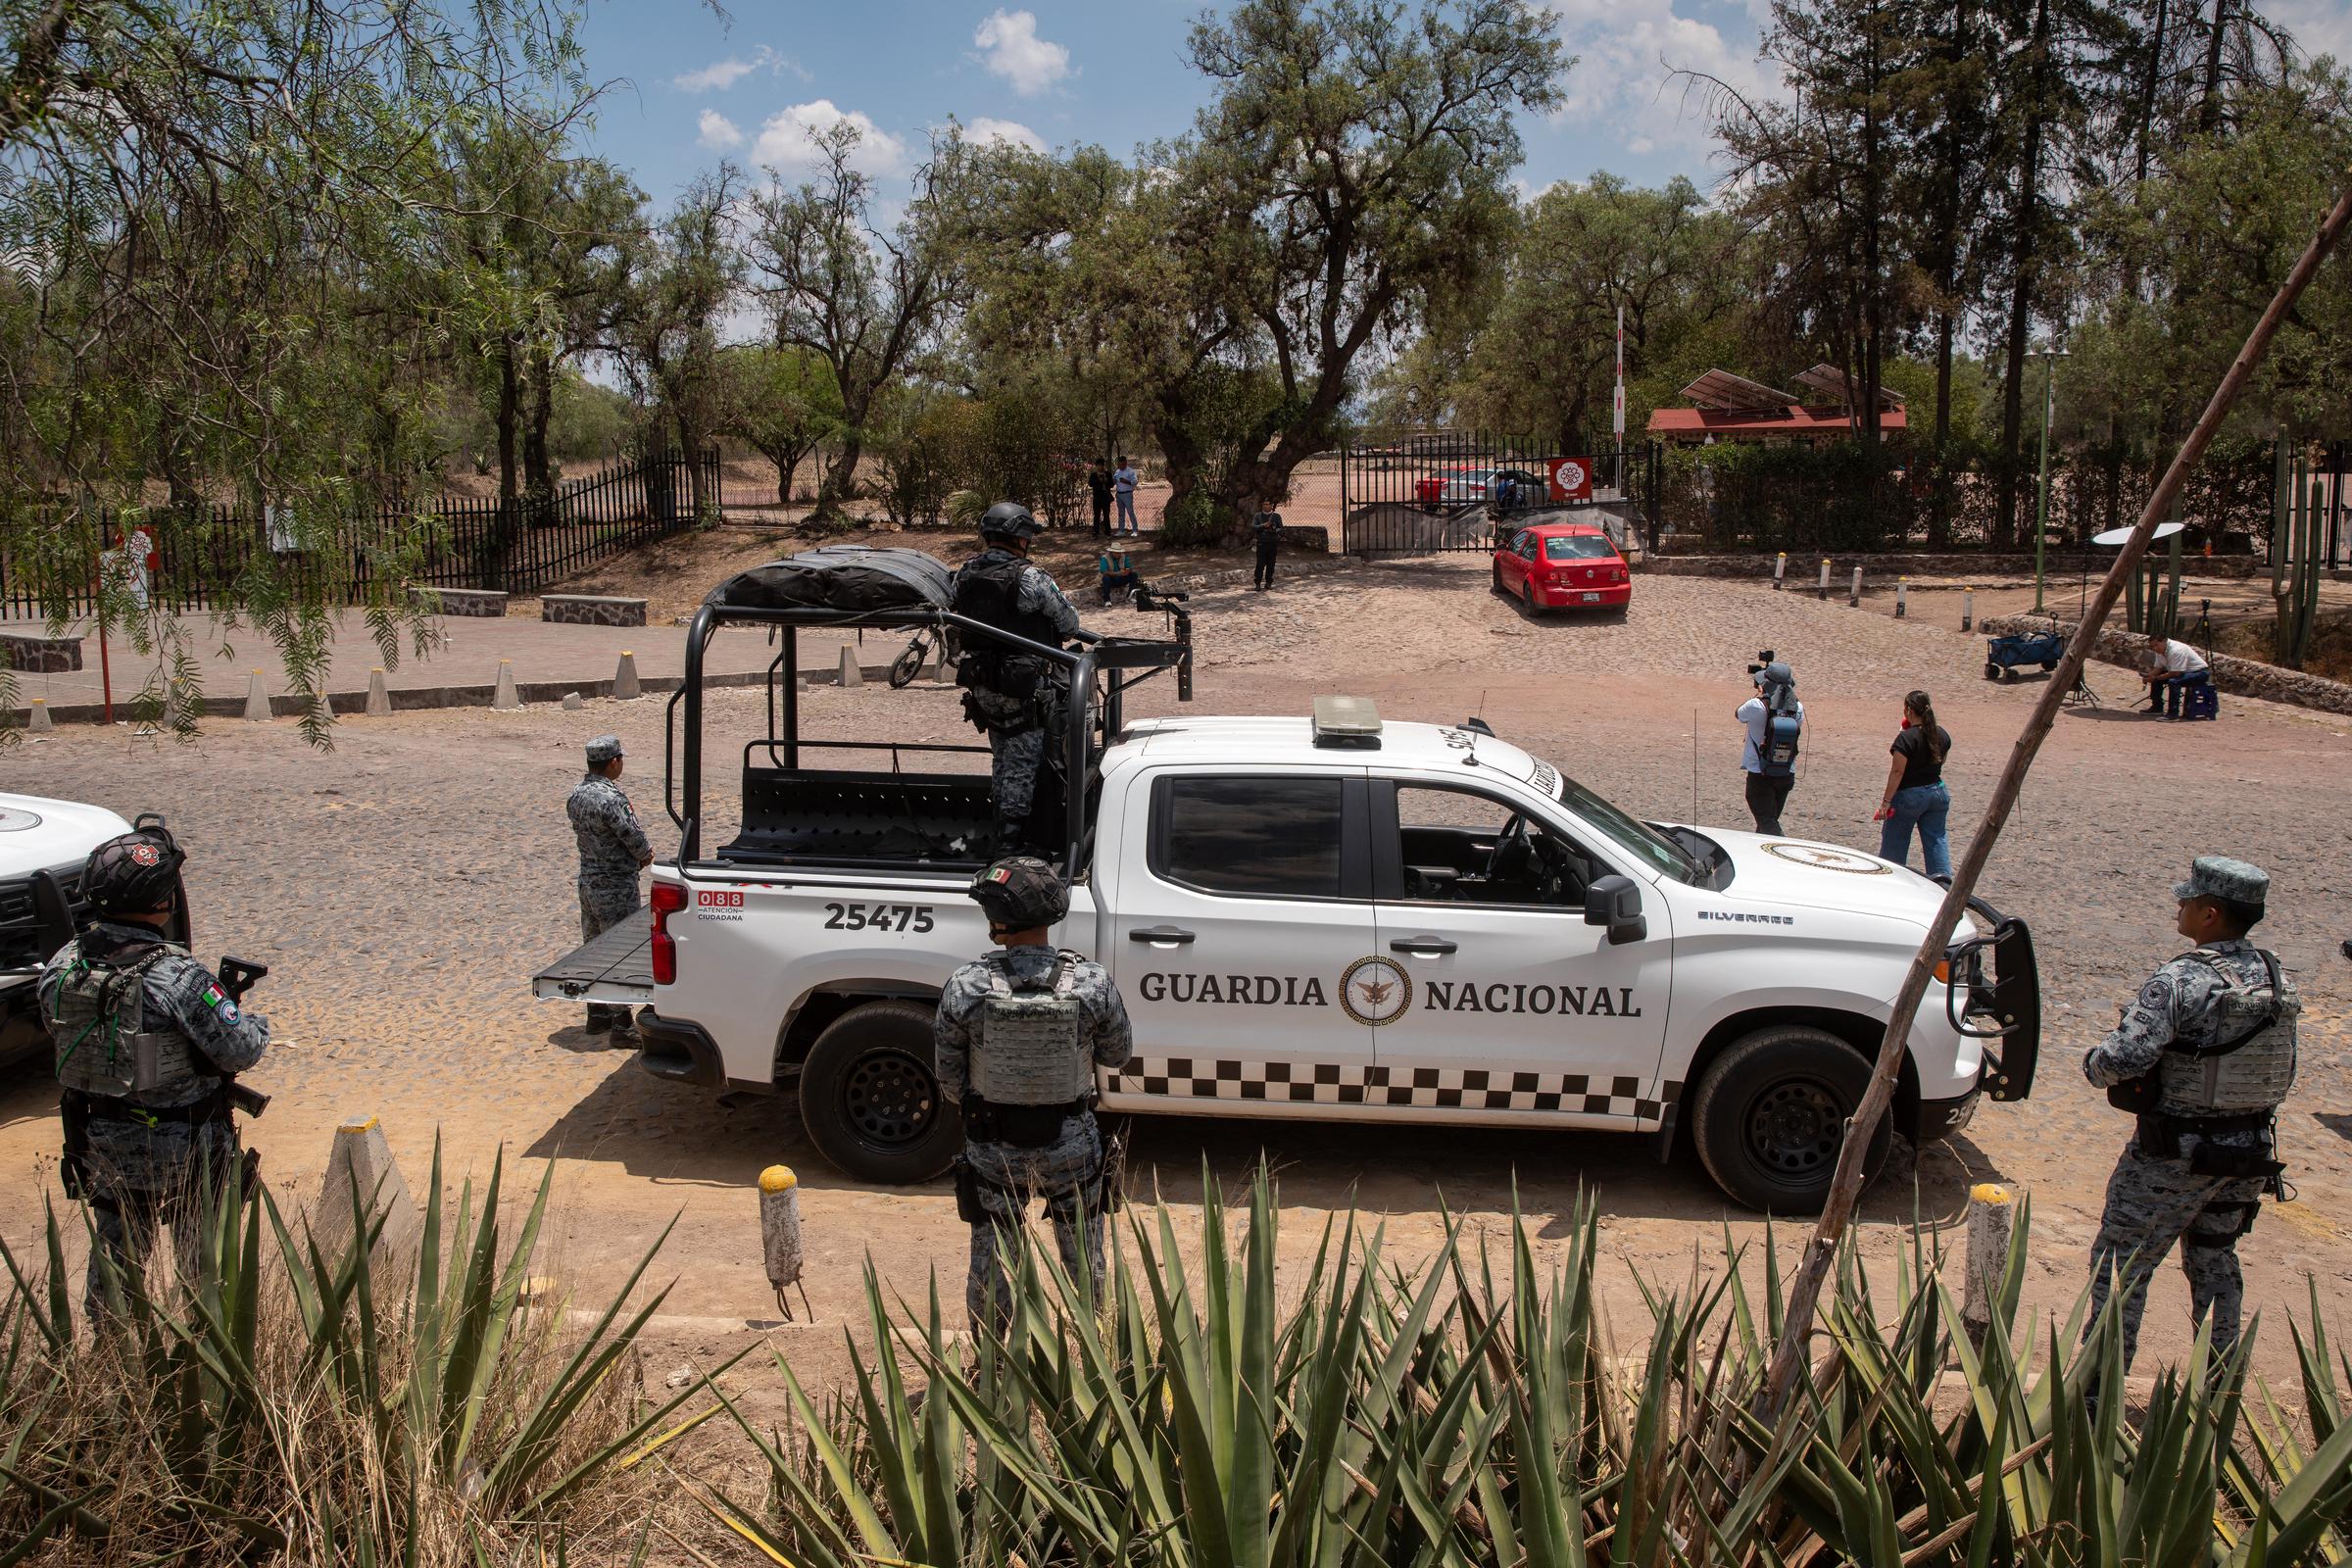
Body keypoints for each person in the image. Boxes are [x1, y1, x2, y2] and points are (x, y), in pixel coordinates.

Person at [2081, 856, 2296, 1383]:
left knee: (2122, 1266)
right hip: (2246, 1153)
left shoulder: (2181, 978)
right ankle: (2218, 1392)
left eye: (2189, 900)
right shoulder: (2276, 975)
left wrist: (2092, 1063)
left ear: (2210, 914)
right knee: (2215, 1260)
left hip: (2171, 1155)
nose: (2179, 905)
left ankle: (2093, 1401)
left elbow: (2121, 1060)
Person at [40, 828, 270, 1317]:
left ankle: (111, 1361)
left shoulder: (62, 965)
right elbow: (242, 1050)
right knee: (203, 1270)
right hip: (187, 1148)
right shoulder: (178, 976)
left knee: (116, 1265)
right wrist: (247, 1017)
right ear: (164, 901)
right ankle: (203, 1357)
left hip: (101, 1140)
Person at [934, 857, 1134, 1330]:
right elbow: (1118, 1055)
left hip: (992, 1148)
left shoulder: (967, 985)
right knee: (1085, 1260)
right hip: (1071, 1147)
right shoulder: (1092, 983)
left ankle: (994, 1366)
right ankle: (1098, 1355)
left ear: (999, 921)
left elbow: (948, 1077)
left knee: (991, 1257)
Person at [952, 502, 1084, 853]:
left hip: (982, 682)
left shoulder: (964, 573)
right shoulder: (1031, 578)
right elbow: (1070, 623)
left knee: (1002, 754)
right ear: (1021, 538)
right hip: (1022, 686)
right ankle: (1010, 842)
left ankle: (1003, 825)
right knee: (1024, 762)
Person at [568, 734, 654, 1038]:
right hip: (617, 884)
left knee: (593, 947)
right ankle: (621, 1024)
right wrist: (645, 856)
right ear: (613, 761)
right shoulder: (611, 798)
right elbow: (633, 837)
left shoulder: (577, 794)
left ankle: (597, 1013)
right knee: (621, 952)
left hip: (588, 881)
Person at [1874, 690, 1952, 877]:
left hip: (1909, 796)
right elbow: (1941, 760)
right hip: (1937, 792)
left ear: (1908, 711)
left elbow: (1898, 771)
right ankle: (1944, 883)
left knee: (1895, 842)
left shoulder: (1906, 739)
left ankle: (1890, 880)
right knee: (1936, 839)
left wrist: (1886, 802)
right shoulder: (1941, 734)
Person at [1736, 660, 1802, 835]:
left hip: (1760, 774)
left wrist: (1759, 695)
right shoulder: (1798, 708)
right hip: (1786, 773)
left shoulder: (1756, 705)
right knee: (1768, 820)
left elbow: (1738, 714)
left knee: (1767, 822)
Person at [2142, 633, 2211, 719]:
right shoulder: (2160, 652)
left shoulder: (2176, 650)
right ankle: (2157, 707)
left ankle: (2173, 713)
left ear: (2164, 641)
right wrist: (2149, 676)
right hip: (2183, 672)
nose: (2155, 648)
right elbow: (2158, 668)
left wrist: (2155, 678)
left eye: (2156, 645)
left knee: (2174, 681)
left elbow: (2176, 673)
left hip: (2199, 673)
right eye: (2152, 647)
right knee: (2157, 680)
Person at [1250, 497, 1284, 591]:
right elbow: (1253, 527)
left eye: (1267, 504)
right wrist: (1263, 525)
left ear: (1271, 505)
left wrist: (1274, 530)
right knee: (1260, 565)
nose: (1265, 506)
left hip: (1272, 544)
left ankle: (1269, 583)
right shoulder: (1258, 516)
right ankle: (1257, 584)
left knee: (1271, 564)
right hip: (1261, 543)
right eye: (1264, 504)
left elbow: (1281, 528)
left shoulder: (1276, 516)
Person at [1087, 459, 1113, 538]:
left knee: (1106, 516)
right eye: (1098, 465)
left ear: (1103, 466)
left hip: (1105, 498)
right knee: (1096, 516)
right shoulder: (1093, 475)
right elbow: (1090, 484)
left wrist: (1106, 480)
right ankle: (1095, 532)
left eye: (1101, 465)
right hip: (1097, 498)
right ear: (1096, 466)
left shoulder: (1108, 474)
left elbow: (1112, 485)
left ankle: (1107, 532)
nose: (1100, 467)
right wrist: (1098, 480)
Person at [1112, 456, 1140, 534]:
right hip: (1119, 494)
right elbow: (1114, 481)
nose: (1122, 466)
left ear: (1126, 463)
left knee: (1130, 512)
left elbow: (1135, 482)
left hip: (1127, 494)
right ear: (1118, 464)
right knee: (1121, 513)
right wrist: (1114, 481)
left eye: (1123, 464)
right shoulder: (1117, 472)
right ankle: (1121, 530)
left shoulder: (1131, 471)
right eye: (1120, 464)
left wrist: (1126, 481)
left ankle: (1135, 530)